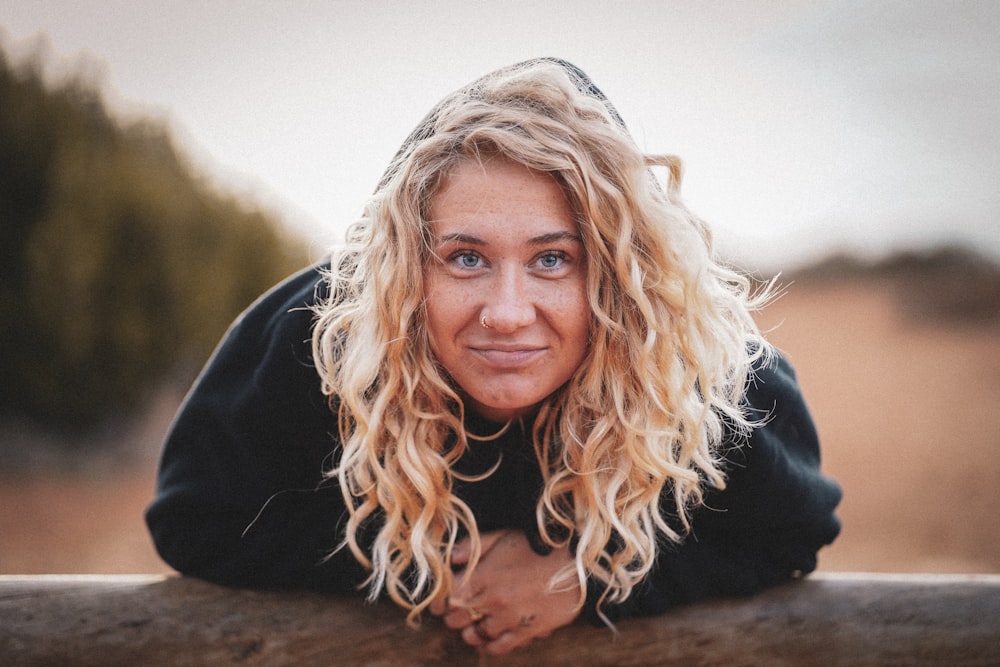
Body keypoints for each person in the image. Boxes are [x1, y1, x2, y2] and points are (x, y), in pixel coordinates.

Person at [146, 58, 841, 656]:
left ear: (620, 274)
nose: (507, 313)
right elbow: (194, 519)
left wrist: (593, 579)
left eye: (552, 258)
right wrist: (424, 565)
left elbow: (795, 529)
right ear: (407, 265)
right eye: (467, 256)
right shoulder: (324, 336)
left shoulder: (696, 367)